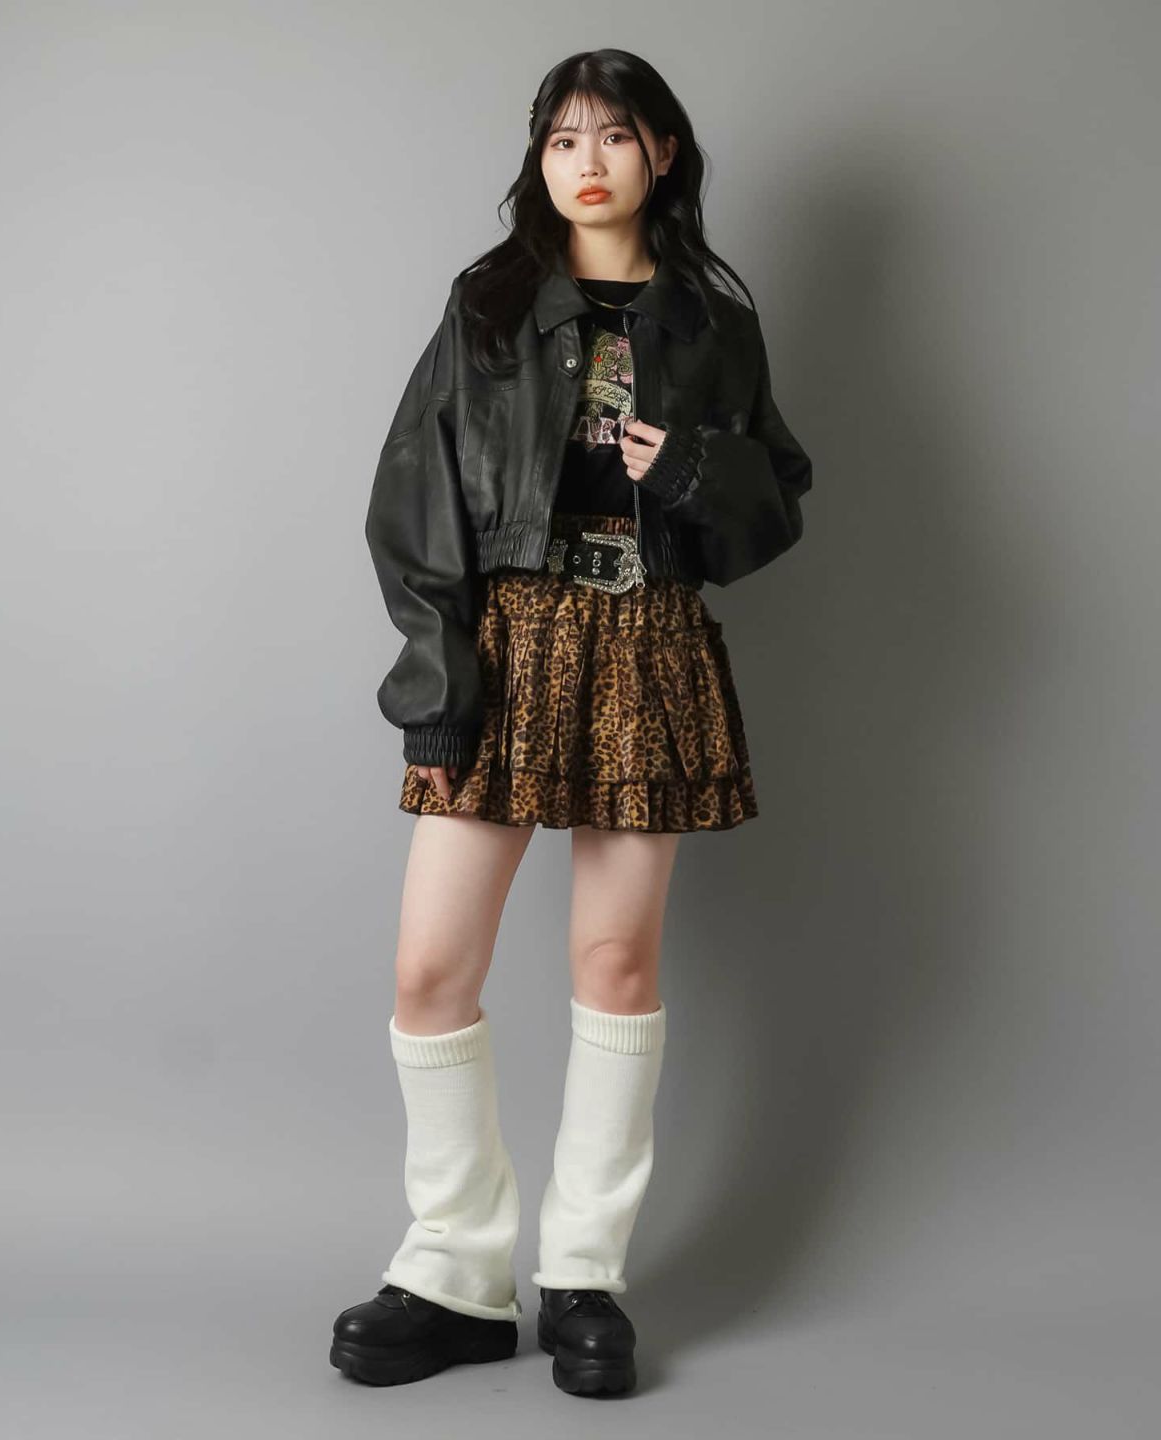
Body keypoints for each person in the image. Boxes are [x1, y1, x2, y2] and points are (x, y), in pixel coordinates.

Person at [330, 47, 812, 1398]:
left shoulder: (712, 322)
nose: (585, 162)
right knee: (432, 971)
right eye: (561, 139)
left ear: (663, 151)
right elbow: (413, 500)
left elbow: (774, 505)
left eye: (612, 134)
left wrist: (695, 466)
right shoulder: (489, 305)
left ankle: (585, 1274)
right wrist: (439, 680)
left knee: (614, 962)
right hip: (506, 647)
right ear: (540, 160)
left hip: (646, 640)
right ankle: (454, 1271)